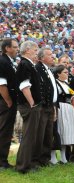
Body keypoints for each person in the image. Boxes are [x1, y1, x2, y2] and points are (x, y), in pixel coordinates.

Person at [16, 41, 42, 173]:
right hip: (29, 105)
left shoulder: (27, 64)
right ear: (27, 50)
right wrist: (32, 103)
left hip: (31, 105)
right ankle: (23, 167)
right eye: (35, 50)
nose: (36, 52)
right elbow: (24, 86)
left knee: (31, 136)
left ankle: (26, 163)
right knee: (29, 136)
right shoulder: (25, 64)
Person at [35, 48, 58, 167]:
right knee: (41, 133)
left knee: (48, 134)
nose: (53, 56)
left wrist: (54, 106)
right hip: (43, 106)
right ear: (42, 57)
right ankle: (37, 160)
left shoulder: (49, 70)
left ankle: (45, 159)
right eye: (50, 55)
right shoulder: (38, 69)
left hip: (50, 105)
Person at [50, 65, 74, 164]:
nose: (67, 74)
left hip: (68, 108)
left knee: (66, 133)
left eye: (67, 72)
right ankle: (52, 157)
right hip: (60, 108)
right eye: (65, 72)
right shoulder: (55, 83)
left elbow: (73, 96)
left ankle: (63, 157)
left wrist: (73, 105)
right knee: (58, 132)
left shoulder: (67, 83)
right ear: (58, 74)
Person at [0, 38, 19, 170]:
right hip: (5, 102)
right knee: (4, 131)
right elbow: (1, 84)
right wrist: (8, 100)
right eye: (15, 47)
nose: (17, 49)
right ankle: (2, 162)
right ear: (7, 48)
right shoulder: (3, 61)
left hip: (7, 101)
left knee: (6, 131)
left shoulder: (8, 61)